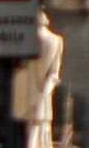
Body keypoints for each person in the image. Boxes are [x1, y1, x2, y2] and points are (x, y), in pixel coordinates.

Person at [13, 9, 67, 148]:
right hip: (43, 88)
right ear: (46, 21)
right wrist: (46, 90)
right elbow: (54, 72)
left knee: (31, 129)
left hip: (24, 88)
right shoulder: (56, 41)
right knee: (36, 127)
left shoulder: (25, 39)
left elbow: (18, 66)